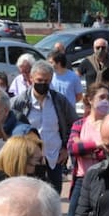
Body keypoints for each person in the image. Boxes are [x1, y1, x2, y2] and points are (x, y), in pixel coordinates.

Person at [12, 60, 76, 192]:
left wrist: (66, 148)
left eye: (47, 81)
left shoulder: (59, 100)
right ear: (31, 78)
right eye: (39, 80)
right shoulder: (19, 102)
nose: (43, 84)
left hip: (54, 158)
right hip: (28, 160)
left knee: (53, 197)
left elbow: (74, 124)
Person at [65, 82, 109, 216]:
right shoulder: (79, 124)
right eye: (101, 97)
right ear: (90, 100)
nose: (105, 101)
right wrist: (98, 144)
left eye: (108, 98)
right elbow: (73, 149)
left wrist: (87, 148)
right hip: (81, 180)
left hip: (104, 179)